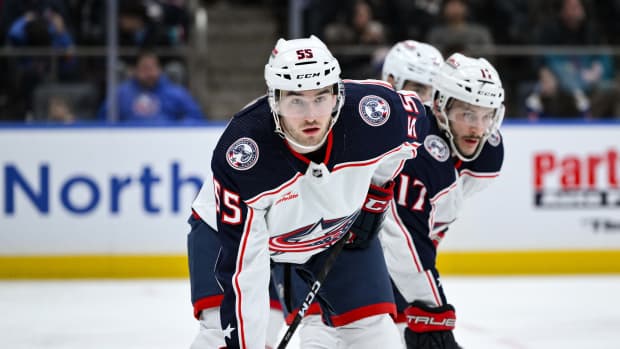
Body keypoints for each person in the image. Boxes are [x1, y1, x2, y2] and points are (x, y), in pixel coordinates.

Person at [190, 35, 427, 348]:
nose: (312, 115)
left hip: (335, 231)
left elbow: (413, 125)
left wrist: (377, 193)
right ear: (274, 100)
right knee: (219, 336)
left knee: (375, 333)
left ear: (337, 95)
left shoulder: (373, 114)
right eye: (296, 100)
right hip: (229, 234)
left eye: (320, 98)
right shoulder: (244, 156)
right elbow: (245, 275)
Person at [380, 52, 505, 348]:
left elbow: (431, 221)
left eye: (487, 115)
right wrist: (434, 312)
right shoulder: (419, 151)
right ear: (440, 107)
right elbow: (402, 237)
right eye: (467, 114)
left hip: (398, 254)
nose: (478, 127)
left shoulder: (488, 154)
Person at [97, 50, 205, 122]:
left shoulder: (176, 93)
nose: (149, 73)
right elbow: (104, 119)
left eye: (152, 68)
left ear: (160, 70)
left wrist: (178, 129)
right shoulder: (121, 93)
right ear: (135, 70)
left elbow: (195, 117)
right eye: (144, 68)